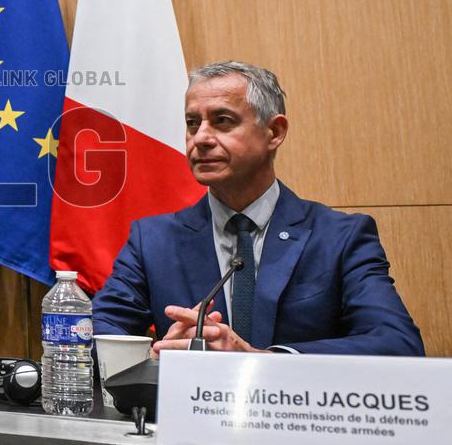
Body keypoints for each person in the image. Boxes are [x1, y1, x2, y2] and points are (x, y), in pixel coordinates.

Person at [92, 61, 424, 356]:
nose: (201, 138)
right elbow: (91, 336)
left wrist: (263, 359)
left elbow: (397, 343)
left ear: (274, 132)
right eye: (193, 123)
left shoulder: (340, 237)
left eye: (222, 121)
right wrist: (158, 356)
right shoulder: (153, 241)